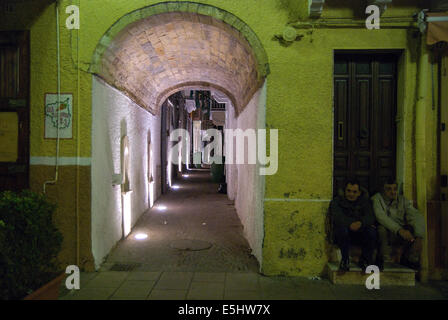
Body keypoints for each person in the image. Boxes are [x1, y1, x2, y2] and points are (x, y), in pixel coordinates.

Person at [371, 179, 425, 270]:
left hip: (399, 233)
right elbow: (381, 217)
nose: (393, 192)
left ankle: (409, 259)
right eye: (389, 189)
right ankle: (384, 259)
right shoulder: (377, 198)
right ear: (383, 190)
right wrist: (399, 230)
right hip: (386, 232)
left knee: (411, 229)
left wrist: (419, 236)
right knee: (381, 229)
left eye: (395, 189)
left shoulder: (402, 200)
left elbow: (415, 215)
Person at [330, 179, 377, 272]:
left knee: (371, 232)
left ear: (359, 193)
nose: (351, 194)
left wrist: (360, 223)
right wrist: (351, 223)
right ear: (345, 191)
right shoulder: (337, 201)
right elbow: (338, 217)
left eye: (354, 192)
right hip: (344, 233)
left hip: (360, 231)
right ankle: (345, 260)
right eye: (349, 191)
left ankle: (365, 260)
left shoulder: (365, 202)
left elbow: (370, 217)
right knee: (342, 230)